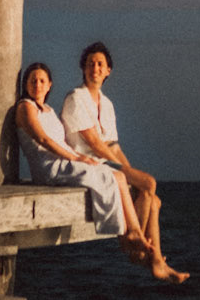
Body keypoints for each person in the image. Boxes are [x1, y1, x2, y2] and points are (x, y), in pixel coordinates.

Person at [60, 42, 189, 283]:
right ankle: (132, 245)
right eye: (90, 64)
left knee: (153, 198)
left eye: (100, 65)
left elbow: (114, 146)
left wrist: (129, 171)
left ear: (108, 70)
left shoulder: (106, 104)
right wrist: (128, 174)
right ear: (83, 68)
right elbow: (95, 144)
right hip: (86, 163)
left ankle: (155, 260)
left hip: (105, 161)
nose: (95, 69)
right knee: (149, 183)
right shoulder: (76, 98)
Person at [13, 61, 148, 256]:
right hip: (49, 167)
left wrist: (81, 157)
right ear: (25, 84)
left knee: (118, 176)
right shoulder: (26, 107)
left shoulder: (48, 110)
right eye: (32, 80)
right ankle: (128, 236)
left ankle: (133, 232)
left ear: (50, 84)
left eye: (42, 80)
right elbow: (43, 139)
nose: (37, 84)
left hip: (65, 161)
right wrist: (76, 158)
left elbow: (62, 141)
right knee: (106, 177)